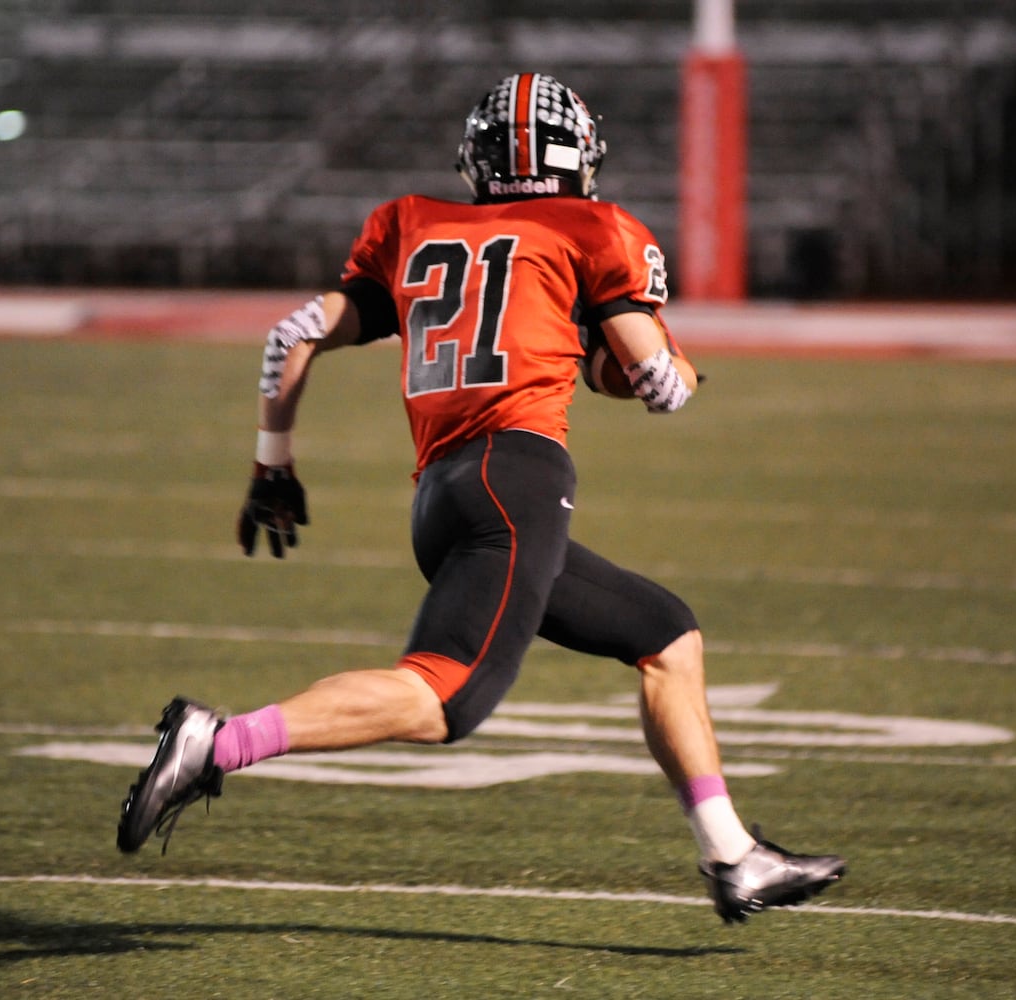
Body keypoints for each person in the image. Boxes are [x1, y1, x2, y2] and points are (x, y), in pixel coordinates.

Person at [116, 72, 845, 924]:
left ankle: (731, 854)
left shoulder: (411, 225)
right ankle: (218, 743)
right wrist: (675, 367)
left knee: (666, 636)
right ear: (580, 159)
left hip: (444, 493)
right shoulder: (594, 226)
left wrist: (271, 465)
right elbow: (654, 380)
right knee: (442, 698)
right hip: (517, 480)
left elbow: (291, 336)